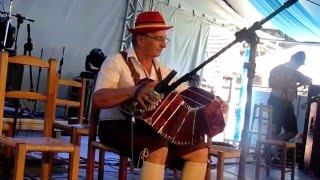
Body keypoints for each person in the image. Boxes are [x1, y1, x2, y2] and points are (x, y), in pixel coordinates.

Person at [93, 11, 209, 180]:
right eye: (159, 39)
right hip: (115, 126)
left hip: (154, 129)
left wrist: (211, 101)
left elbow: (185, 93)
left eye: (164, 39)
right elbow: (98, 99)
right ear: (141, 39)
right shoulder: (115, 62)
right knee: (158, 147)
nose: (164, 45)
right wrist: (133, 91)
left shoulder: (162, 70)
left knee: (200, 149)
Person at [267, 51, 312, 162]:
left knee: (293, 130)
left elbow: (308, 80)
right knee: (274, 129)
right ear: (294, 60)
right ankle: (272, 155)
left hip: (287, 104)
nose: (299, 66)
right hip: (276, 102)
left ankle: (273, 146)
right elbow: (271, 84)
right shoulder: (278, 69)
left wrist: (298, 84)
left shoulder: (296, 73)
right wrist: (288, 84)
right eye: (299, 63)